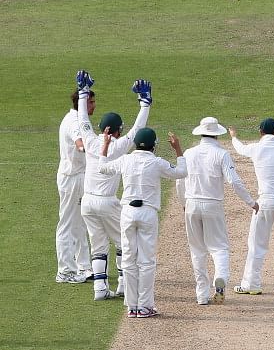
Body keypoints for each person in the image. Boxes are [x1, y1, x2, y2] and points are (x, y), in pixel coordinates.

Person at [76, 71, 152, 300]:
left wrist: (82, 93)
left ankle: (100, 289)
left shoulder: (90, 141)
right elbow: (137, 131)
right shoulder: (119, 147)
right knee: (123, 242)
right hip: (108, 201)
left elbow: (83, 120)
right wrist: (145, 104)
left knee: (97, 244)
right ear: (117, 129)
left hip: (87, 202)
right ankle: (122, 284)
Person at [99, 127, 187, 318]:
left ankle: (132, 307)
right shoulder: (156, 162)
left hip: (128, 213)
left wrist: (105, 145)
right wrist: (178, 149)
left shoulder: (126, 159)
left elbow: (103, 167)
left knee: (129, 259)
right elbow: (182, 172)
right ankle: (145, 306)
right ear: (154, 146)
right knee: (146, 261)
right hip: (147, 213)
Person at [176, 117, 259, 305]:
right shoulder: (222, 154)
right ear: (217, 134)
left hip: (191, 203)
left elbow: (179, 181)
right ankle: (220, 278)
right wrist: (251, 202)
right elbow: (234, 181)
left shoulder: (188, 153)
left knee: (197, 250)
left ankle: (202, 295)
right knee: (219, 247)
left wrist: (183, 203)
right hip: (213, 205)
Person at [229, 118, 274, 294]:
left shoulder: (255, 148)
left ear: (260, 132)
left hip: (266, 201)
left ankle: (251, 284)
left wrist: (233, 136)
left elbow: (240, 149)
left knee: (257, 244)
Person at [56, 88, 94, 284]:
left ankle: (84, 267)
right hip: (71, 178)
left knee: (80, 222)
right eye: (91, 103)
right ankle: (65, 271)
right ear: (83, 103)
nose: (94, 106)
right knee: (67, 224)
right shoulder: (74, 123)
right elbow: (81, 145)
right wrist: (98, 149)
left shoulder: (78, 120)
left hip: (79, 176)